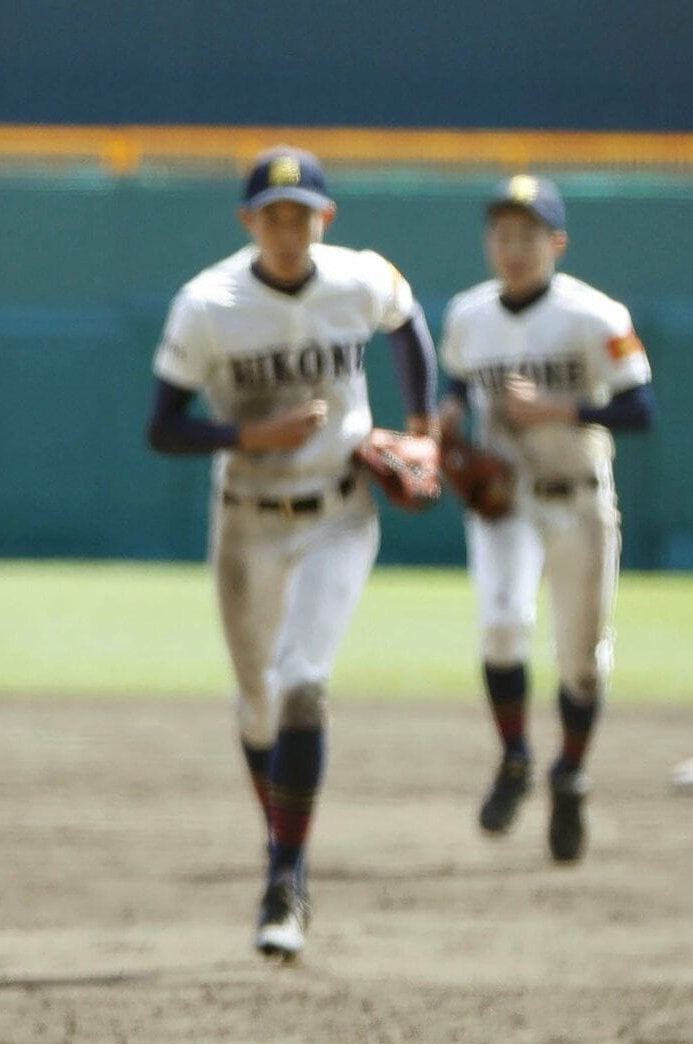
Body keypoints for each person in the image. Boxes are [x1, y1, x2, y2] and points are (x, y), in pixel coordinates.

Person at [146, 147, 438, 959]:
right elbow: (164, 427)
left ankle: (286, 874)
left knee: (304, 684)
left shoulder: (357, 278)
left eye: (301, 213)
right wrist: (249, 434)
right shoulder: (209, 303)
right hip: (245, 520)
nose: (287, 227)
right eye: (273, 214)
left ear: (324, 219)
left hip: (340, 513)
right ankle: (283, 850)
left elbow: (406, 318)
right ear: (248, 221)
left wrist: (423, 429)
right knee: (258, 703)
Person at [439, 175, 655, 862]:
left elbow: (639, 410)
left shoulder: (596, 316)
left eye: (528, 235)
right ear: (488, 242)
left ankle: (570, 772)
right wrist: (445, 417)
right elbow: (454, 382)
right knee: (502, 626)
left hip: (578, 496)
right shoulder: (469, 315)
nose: (513, 247)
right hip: (505, 500)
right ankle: (515, 759)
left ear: (555, 242)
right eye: (502, 234)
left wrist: (561, 411)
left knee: (582, 658)